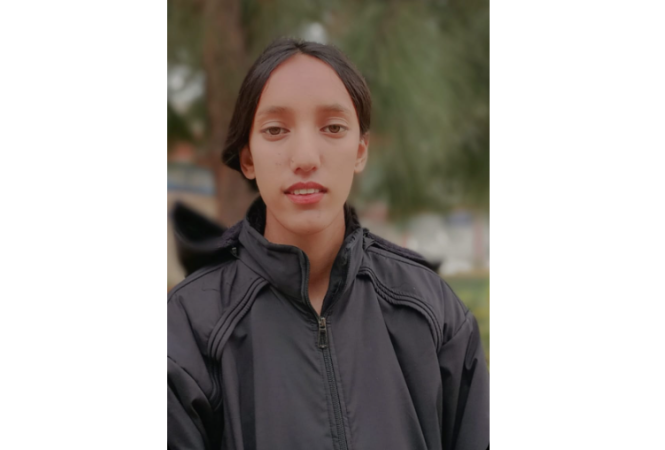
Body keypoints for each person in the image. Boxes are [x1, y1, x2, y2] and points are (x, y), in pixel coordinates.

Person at [168, 38, 489, 450]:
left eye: (333, 128)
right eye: (275, 130)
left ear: (360, 151)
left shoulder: (433, 311)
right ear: (247, 157)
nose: (305, 157)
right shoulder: (188, 328)